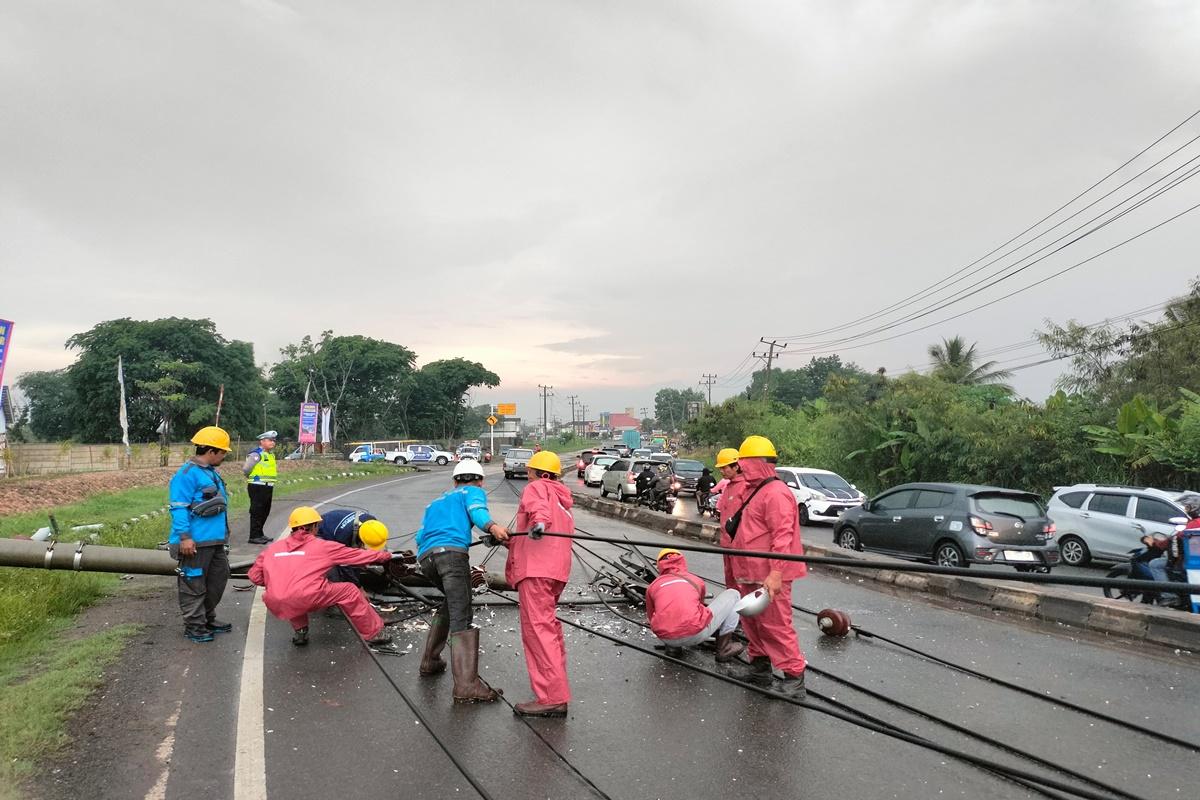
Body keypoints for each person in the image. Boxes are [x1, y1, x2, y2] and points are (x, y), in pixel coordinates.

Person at [718, 435, 807, 698]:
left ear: (758, 463)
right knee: (752, 621)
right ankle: (759, 669)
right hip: (748, 570)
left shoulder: (776, 493)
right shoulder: (750, 489)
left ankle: (794, 677)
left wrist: (777, 572)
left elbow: (783, 537)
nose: (741, 466)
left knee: (776, 625)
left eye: (744, 461)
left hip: (769, 574)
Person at [414, 459, 509, 703]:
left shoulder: (436, 502)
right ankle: (466, 686)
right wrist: (494, 527)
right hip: (452, 557)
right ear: (480, 480)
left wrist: (482, 535)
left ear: (454, 481)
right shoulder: (473, 491)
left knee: (451, 603)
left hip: (426, 559)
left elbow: (420, 535)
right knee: (462, 614)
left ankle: (431, 661)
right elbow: (477, 511)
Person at [248, 506, 395, 648]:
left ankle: (301, 633)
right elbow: (357, 555)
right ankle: (375, 634)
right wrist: (387, 556)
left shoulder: (272, 548)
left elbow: (254, 576)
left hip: (275, 601)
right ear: (314, 527)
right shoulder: (323, 546)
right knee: (349, 590)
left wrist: (275, 583)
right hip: (308, 596)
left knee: (289, 591)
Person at [506, 450, 575, 717]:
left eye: (530, 471)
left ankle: (552, 697)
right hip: (555, 573)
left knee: (537, 631)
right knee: (549, 628)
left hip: (536, 572)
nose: (528, 476)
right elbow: (537, 529)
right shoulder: (562, 502)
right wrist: (507, 539)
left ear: (540, 473)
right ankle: (555, 689)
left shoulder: (538, 488)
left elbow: (538, 511)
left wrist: (539, 523)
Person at [169, 426, 235, 643]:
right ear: (212, 451)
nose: (224, 456)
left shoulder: (210, 472)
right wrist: (185, 537)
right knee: (193, 585)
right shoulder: (186, 474)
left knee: (218, 579)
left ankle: (207, 618)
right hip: (195, 541)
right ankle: (194, 626)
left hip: (214, 540)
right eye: (223, 452)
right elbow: (179, 507)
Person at [646, 549, 744, 662]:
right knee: (734, 593)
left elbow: (650, 616)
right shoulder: (696, 581)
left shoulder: (653, 586)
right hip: (695, 635)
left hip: (665, 637)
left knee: (669, 615)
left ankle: (673, 648)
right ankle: (724, 647)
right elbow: (700, 609)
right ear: (682, 562)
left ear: (660, 565)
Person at [317, 509, 387, 585]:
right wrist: (358, 586)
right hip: (321, 530)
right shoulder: (344, 537)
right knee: (335, 573)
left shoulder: (372, 521)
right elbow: (344, 564)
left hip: (337, 519)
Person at [244, 430, 278, 545]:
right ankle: (253, 536)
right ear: (262, 441)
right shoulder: (256, 454)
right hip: (257, 486)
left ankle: (259, 534)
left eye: (274, 440)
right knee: (257, 511)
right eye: (270, 440)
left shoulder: (270, 455)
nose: (273, 442)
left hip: (268, 487)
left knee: (265, 511)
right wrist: (254, 479)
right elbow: (246, 469)